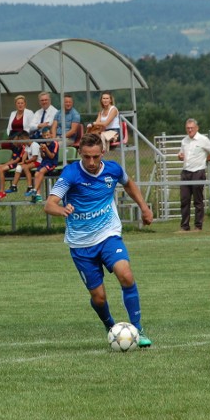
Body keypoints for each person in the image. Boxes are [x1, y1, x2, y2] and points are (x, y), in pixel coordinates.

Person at [43, 132, 154, 347]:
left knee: (126, 275)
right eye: (86, 157)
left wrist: (144, 207)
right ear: (80, 154)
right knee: (99, 297)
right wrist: (61, 209)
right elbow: (49, 204)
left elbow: (129, 184)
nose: (91, 162)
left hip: (108, 234)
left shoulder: (113, 169)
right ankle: (111, 327)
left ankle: (138, 329)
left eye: (95, 156)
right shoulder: (70, 174)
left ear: (102, 152)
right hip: (81, 243)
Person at [177, 118, 210, 232]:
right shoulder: (184, 141)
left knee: (198, 200)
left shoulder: (203, 139)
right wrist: (180, 157)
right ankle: (184, 226)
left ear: (197, 128)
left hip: (198, 172)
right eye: (188, 128)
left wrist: (206, 160)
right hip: (186, 172)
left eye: (192, 128)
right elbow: (181, 154)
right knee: (184, 200)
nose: (190, 130)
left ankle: (198, 226)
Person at [28, 126, 59, 203]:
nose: (46, 137)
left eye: (48, 135)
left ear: (51, 135)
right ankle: (38, 195)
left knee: (41, 171)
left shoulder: (55, 143)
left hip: (52, 163)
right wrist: (41, 151)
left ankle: (34, 190)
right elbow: (43, 156)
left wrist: (46, 149)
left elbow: (52, 156)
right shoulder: (43, 143)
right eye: (44, 136)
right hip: (44, 162)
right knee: (36, 174)